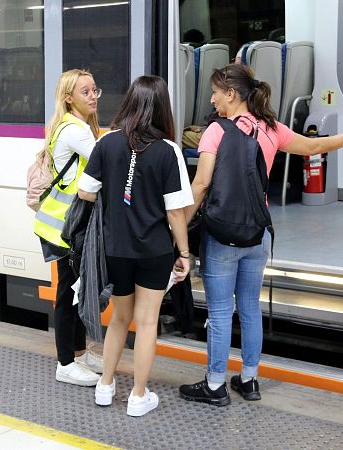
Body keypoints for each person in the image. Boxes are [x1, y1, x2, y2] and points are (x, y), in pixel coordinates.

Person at [178, 63, 343, 406]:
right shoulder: (272, 128)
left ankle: (214, 384)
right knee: (251, 308)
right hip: (259, 233)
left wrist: (179, 229)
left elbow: (202, 183)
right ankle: (250, 379)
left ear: (231, 94)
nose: (212, 99)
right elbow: (314, 148)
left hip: (222, 235)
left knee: (222, 311)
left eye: (215, 92)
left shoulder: (216, 131)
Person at [78, 75, 194, 417]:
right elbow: (175, 211)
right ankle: (138, 396)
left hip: (115, 249)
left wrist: (117, 193)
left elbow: (85, 192)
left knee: (118, 320)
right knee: (146, 323)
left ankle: (106, 386)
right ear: (162, 108)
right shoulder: (168, 151)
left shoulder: (107, 142)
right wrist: (184, 254)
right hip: (154, 251)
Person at [34, 69, 105, 386]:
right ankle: (65, 362)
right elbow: (106, 163)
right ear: (68, 97)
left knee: (76, 289)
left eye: (94, 90)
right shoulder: (76, 131)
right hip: (66, 226)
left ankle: (78, 353)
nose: (92, 97)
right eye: (85, 92)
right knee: (68, 292)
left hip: (67, 225)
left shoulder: (68, 125)